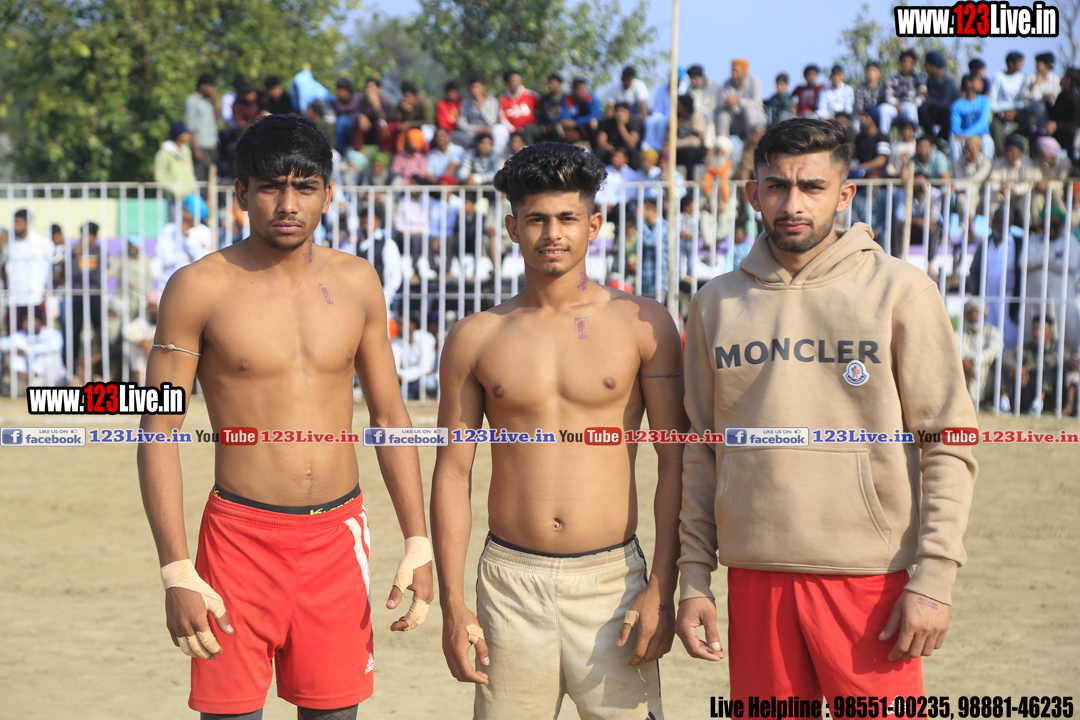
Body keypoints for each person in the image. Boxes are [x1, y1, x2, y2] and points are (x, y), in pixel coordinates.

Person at [137, 114, 433, 719]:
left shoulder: (357, 282)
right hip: (238, 542)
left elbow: (389, 414)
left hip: (338, 540)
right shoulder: (197, 288)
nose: (288, 204)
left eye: (305, 187)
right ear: (242, 192)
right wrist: (175, 569)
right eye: (271, 187)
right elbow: (158, 430)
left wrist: (418, 540)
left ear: (329, 193)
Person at [677, 117, 978, 701]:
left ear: (844, 195)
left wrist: (935, 578)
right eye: (776, 186)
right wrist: (693, 577)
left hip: (870, 579)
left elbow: (948, 439)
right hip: (755, 577)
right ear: (753, 193)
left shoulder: (900, 289)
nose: (793, 204)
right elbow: (701, 447)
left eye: (812, 186)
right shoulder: (716, 302)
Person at [432, 141, 683, 720]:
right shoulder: (476, 336)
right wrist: (452, 603)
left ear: (594, 224)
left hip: (612, 581)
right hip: (509, 583)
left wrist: (662, 586)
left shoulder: (642, 324)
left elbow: (678, 459)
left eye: (568, 218)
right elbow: (452, 472)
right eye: (536, 219)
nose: (552, 233)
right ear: (512, 227)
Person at [3, 209, 54, 329]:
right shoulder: (9, 245)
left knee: (38, 336)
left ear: (28, 223)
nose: (15, 226)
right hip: (14, 298)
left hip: (35, 298)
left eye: (19, 222)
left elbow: (53, 267)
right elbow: (4, 268)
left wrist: (48, 289)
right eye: (14, 222)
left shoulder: (42, 243)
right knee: (14, 335)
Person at [156, 194, 212, 286]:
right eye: (183, 209)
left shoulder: (204, 232)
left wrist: (186, 238)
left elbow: (202, 260)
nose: (183, 213)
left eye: (186, 210)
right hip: (169, 284)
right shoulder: (169, 229)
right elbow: (163, 258)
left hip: (194, 284)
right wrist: (184, 257)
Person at [990, 52, 1035, 156]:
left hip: (1017, 111)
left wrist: (1015, 112)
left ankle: (1011, 135)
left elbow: (1023, 99)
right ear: (1011, 64)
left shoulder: (1022, 77)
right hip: (1000, 113)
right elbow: (992, 99)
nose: (1021, 66)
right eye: (1019, 63)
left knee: (1031, 120)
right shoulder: (998, 76)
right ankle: (1001, 155)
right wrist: (1002, 113)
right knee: (996, 128)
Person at [961, 300, 1003, 406]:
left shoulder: (993, 332)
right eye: (970, 314)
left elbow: (992, 351)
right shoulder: (961, 334)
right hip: (965, 371)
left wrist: (974, 361)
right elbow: (956, 350)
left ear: (984, 316)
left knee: (976, 367)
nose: (973, 317)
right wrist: (965, 363)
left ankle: (975, 402)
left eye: (977, 313)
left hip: (987, 376)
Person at [717, 58, 767, 142]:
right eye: (732, 70)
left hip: (755, 120)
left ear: (744, 72)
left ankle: (753, 143)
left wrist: (739, 101)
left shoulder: (754, 81)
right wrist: (727, 103)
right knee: (723, 116)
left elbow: (757, 103)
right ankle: (723, 146)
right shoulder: (727, 83)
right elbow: (719, 103)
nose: (733, 74)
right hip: (736, 121)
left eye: (736, 71)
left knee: (749, 111)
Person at [950, 74, 994, 162]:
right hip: (962, 135)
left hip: (981, 134)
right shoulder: (957, 105)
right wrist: (961, 135)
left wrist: (966, 134)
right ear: (968, 83)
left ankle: (987, 167)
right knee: (955, 142)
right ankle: (957, 168)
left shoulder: (985, 100)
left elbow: (983, 123)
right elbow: (955, 128)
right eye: (978, 81)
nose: (982, 83)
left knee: (987, 141)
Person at [185, 74, 220, 183]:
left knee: (212, 177)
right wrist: (196, 149)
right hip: (200, 145)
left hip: (212, 144)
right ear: (202, 86)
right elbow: (191, 126)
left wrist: (215, 103)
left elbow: (217, 119)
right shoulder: (192, 101)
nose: (212, 89)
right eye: (210, 86)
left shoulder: (209, 101)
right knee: (201, 178)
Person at [920, 51, 959, 143]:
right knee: (922, 109)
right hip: (935, 112)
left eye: (927, 65)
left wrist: (930, 99)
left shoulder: (949, 81)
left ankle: (942, 139)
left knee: (949, 111)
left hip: (947, 115)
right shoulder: (930, 79)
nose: (925, 67)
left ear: (934, 67)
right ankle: (930, 138)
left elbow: (946, 104)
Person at [884, 50, 925, 130]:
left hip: (912, 105)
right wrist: (897, 106)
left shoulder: (918, 78)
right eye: (904, 61)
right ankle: (883, 136)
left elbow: (922, 96)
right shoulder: (892, 78)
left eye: (909, 62)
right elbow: (888, 95)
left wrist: (914, 104)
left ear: (913, 64)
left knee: (910, 108)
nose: (906, 64)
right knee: (884, 110)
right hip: (895, 107)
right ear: (900, 63)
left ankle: (914, 136)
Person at [595, 101, 643, 167]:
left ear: (627, 113)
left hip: (627, 151)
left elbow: (631, 143)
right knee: (599, 152)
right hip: (613, 150)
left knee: (633, 152)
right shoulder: (608, 122)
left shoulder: (634, 121)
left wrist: (620, 125)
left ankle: (636, 172)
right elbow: (601, 142)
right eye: (617, 111)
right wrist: (614, 151)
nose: (619, 113)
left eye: (622, 111)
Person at [560, 77, 603, 147]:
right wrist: (572, 123)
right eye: (579, 89)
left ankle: (596, 148)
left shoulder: (592, 98)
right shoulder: (568, 100)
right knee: (565, 130)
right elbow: (564, 118)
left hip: (588, 127)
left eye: (584, 88)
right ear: (574, 90)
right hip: (575, 128)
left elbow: (596, 115)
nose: (582, 91)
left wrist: (576, 122)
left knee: (594, 123)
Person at [154, 122, 197, 189]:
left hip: (189, 193)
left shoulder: (187, 151)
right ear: (180, 135)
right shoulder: (164, 153)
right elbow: (160, 176)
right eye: (186, 133)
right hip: (173, 194)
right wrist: (175, 190)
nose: (189, 136)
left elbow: (191, 173)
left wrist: (193, 188)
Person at [498, 70, 540, 137]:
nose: (516, 83)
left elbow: (543, 106)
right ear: (507, 83)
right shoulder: (503, 99)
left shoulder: (530, 95)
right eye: (513, 81)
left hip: (529, 131)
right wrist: (513, 130)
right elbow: (502, 119)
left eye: (518, 80)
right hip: (512, 132)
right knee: (498, 129)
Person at [533, 74, 567, 144]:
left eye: (552, 83)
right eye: (549, 83)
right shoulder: (544, 100)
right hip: (546, 127)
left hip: (561, 127)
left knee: (556, 127)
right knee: (528, 129)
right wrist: (541, 124)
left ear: (559, 84)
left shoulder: (566, 99)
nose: (550, 86)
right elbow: (541, 115)